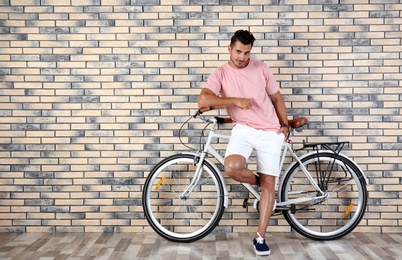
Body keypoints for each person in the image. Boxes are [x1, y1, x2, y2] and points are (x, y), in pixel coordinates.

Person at [197, 30, 289, 256]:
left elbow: (276, 97)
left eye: (247, 53)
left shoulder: (262, 68)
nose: (242, 57)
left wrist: (285, 125)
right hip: (243, 129)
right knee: (232, 167)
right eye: (238, 51)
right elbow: (203, 100)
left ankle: (260, 237)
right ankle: (268, 186)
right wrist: (235, 100)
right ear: (229, 48)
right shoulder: (220, 73)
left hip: (269, 131)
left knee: (269, 184)